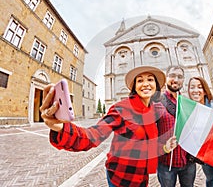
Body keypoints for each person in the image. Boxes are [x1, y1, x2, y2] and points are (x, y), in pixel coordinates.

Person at [39, 66, 177, 187]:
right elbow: (93, 135)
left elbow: (148, 145)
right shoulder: (122, 108)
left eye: (150, 80)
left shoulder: (152, 111)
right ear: (134, 87)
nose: (145, 84)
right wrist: (61, 128)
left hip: (142, 179)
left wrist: (165, 147)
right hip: (121, 178)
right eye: (140, 80)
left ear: (156, 86)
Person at [156, 65, 197, 187]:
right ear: (166, 77)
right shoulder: (157, 102)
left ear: (183, 80)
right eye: (172, 75)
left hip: (188, 162)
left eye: (180, 77)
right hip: (166, 164)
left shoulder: (188, 103)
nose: (176, 79)